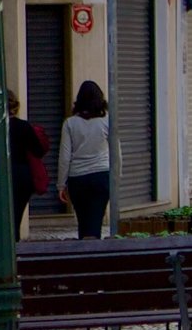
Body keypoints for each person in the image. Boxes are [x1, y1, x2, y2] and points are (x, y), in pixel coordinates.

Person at [59, 80, 118, 239]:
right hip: (101, 176)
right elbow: (116, 153)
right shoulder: (107, 121)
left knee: (83, 222)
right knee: (96, 221)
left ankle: (84, 252)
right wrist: (116, 179)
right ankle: (93, 254)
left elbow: (65, 157)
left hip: (77, 178)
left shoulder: (70, 124)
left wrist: (61, 184)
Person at [7, 92, 49, 239]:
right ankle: (14, 246)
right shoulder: (24, 126)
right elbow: (38, 150)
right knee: (16, 216)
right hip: (22, 174)